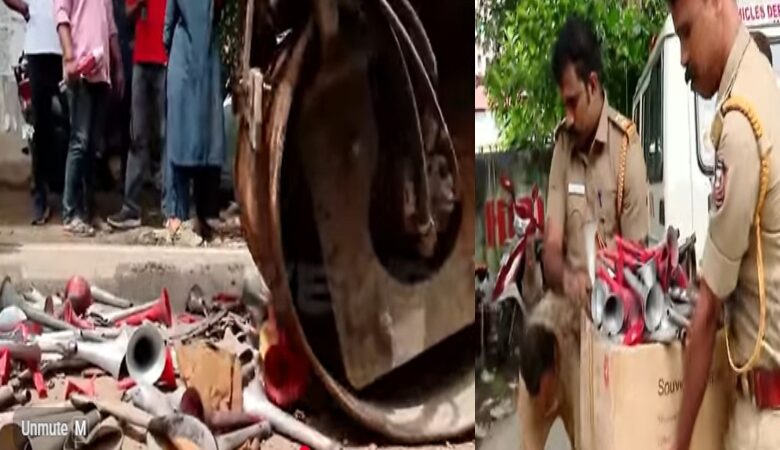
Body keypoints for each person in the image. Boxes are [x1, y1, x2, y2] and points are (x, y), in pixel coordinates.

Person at [517, 15, 649, 450]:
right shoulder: (562, 147)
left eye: (573, 101)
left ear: (593, 85)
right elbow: (551, 248)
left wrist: (607, 284)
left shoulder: (627, 151)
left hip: (611, 318)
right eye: (564, 104)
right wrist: (569, 278)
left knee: (596, 429)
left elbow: (640, 267)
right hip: (567, 306)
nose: (568, 114)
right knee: (532, 353)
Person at [667, 0, 780, 449]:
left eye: (686, 32)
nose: (683, 56)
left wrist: (678, 444)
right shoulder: (764, 83)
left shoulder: (740, 126)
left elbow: (708, 311)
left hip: (765, 422)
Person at [54, 0, 125, 236]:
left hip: (101, 72)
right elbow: (61, 16)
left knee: (94, 147)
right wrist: (69, 57)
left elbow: (111, 28)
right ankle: (70, 213)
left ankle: (89, 212)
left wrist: (118, 66)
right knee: (80, 142)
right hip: (80, 71)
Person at [162, 0, 225, 237]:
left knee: (182, 137)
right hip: (205, 63)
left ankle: (177, 214)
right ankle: (202, 214)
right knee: (202, 139)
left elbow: (167, 28)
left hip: (186, 61)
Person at [107, 0, 168, 230]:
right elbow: (127, 13)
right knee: (137, 136)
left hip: (165, 58)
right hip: (141, 60)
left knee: (165, 135)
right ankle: (131, 207)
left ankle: (169, 208)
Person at [2, 0, 62, 224]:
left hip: (67, 48)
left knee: (72, 125)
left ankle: (73, 197)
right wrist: (25, 9)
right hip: (37, 49)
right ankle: (40, 197)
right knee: (38, 127)